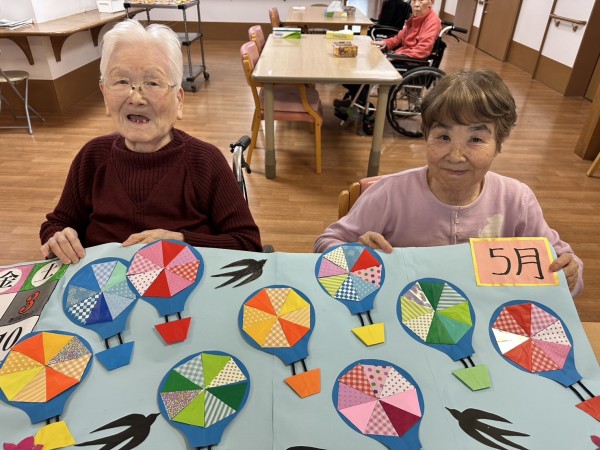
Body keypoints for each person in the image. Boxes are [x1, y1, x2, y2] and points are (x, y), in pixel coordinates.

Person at [317, 69, 583, 297]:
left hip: (486, 313)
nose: (456, 156)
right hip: (404, 308)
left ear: (498, 144)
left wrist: (569, 274)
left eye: (476, 139)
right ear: (426, 137)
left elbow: (564, 262)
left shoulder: (517, 200)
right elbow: (328, 241)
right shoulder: (389, 194)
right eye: (443, 137)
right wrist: (353, 254)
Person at [40, 20, 262, 264]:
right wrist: (58, 238)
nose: (136, 97)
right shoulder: (91, 157)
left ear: (179, 100)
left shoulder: (205, 162)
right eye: (121, 82)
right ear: (104, 95)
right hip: (103, 282)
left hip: (185, 281)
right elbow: (58, 224)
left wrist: (182, 241)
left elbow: (248, 244)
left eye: (153, 83)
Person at [334, 0, 441, 121]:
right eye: (414, 0)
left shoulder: (433, 21)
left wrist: (396, 55)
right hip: (402, 57)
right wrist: (385, 43)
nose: (416, 4)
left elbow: (422, 50)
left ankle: (357, 104)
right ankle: (356, 100)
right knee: (361, 62)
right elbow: (398, 38)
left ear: (430, 3)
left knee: (367, 68)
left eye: (421, 0)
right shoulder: (414, 19)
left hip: (411, 62)